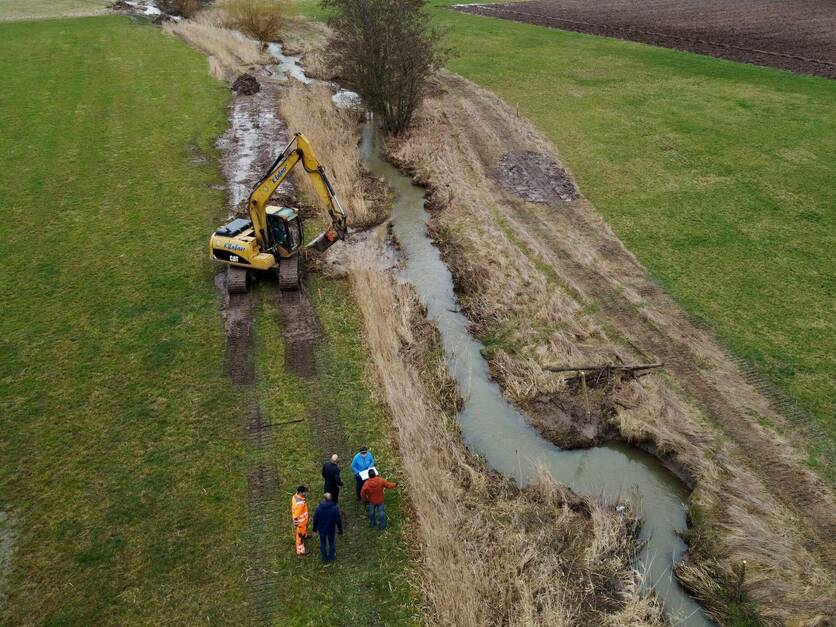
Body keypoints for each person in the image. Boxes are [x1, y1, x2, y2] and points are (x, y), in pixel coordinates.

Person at [312, 492, 343, 563]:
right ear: (331, 499)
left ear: (324, 499)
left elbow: (315, 519)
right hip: (331, 529)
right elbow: (338, 520)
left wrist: (314, 529)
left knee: (323, 543)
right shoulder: (334, 509)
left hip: (322, 529)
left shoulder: (319, 509)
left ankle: (324, 558)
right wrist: (340, 529)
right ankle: (332, 557)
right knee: (331, 542)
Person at [291, 486, 310, 555]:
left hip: (303, 522)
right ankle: (300, 550)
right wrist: (296, 522)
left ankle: (305, 535)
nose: (306, 494)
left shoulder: (295, 497)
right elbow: (296, 514)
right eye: (305, 492)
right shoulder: (300, 504)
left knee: (303, 532)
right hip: (301, 523)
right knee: (299, 537)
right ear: (300, 492)